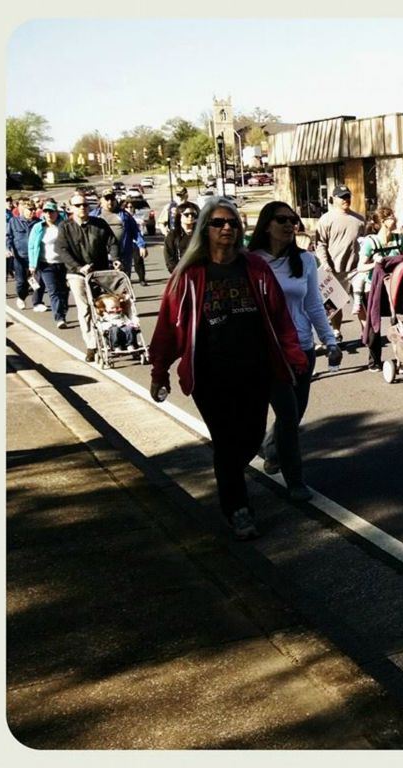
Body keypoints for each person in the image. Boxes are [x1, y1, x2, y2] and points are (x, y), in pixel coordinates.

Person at [149, 197, 309, 541]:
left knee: (250, 438)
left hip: (256, 370)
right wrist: (159, 370)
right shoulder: (189, 274)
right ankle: (238, 509)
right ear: (205, 229)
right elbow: (168, 327)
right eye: (219, 223)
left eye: (233, 223)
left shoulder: (255, 268)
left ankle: (228, 481)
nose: (227, 229)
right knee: (225, 441)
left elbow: (280, 319)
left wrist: (294, 357)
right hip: (210, 375)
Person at [247, 201, 342, 496]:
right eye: (281, 220)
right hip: (268, 351)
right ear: (266, 225)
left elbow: (314, 304)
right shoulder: (251, 261)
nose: (289, 225)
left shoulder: (306, 261)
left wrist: (330, 340)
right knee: (288, 415)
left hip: (302, 349)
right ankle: (295, 481)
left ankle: (272, 448)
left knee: (296, 413)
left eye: (293, 220)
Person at [55, 192, 120, 362]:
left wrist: (115, 258)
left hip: (100, 273)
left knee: (104, 307)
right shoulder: (65, 227)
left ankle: (110, 339)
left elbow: (112, 241)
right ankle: (91, 345)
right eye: (77, 205)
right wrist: (78, 267)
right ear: (71, 208)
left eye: (84, 205)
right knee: (85, 310)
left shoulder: (99, 223)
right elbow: (62, 250)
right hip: (77, 274)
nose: (82, 208)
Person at [357, 207, 403, 370]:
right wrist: (376, 263)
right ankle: (374, 361)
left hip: (394, 286)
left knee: (401, 321)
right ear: (384, 222)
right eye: (392, 217)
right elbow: (360, 267)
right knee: (373, 325)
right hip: (373, 287)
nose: (396, 219)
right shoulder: (370, 243)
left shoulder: (399, 240)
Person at [314, 184, 366, 344]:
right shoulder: (326, 220)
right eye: (342, 197)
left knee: (362, 302)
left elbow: (365, 243)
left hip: (357, 269)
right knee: (334, 304)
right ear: (334, 199)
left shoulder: (359, 220)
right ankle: (336, 331)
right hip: (335, 270)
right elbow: (320, 244)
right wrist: (325, 263)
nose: (346, 200)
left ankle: (367, 334)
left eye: (347, 196)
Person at [27, 201, 69, 328]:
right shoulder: (38, 227)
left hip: (63, 263)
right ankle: (59, 318)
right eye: (45, 211)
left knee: (64, 290)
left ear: (57, 212)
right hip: (46, 264)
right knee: (53, 290)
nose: (48, 214)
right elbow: (32, 246)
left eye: (51, 211)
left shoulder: (64, 225)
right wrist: (32, 264)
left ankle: (63, 310)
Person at [96, 188, 148, 283]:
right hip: (102, 255)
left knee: (123, 281)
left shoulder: (124, 215)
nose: (110, 201)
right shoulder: (95, 216)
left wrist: (142, 246)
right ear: (101, 201)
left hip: (123, 254)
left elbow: (135, 231)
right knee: (105, 283)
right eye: (107, 199)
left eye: (112, 199)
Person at [6, 196, 40, 311]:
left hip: (35, 257)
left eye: (34, 209)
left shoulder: (38, 223)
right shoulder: (14, 221)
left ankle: (37, 302)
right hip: (20, 257)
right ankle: (21, 297)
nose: (33, 212)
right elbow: (8, 236)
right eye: (30, 209)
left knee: (37, 281)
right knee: (21, 282)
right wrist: (8, 248)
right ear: (23, 210)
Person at [163, 201, 201, 273]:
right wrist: (176, 272)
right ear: (180, 216)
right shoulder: (173, 235)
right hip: (181, 274)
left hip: (200, 273)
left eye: (193, 214)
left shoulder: (200, 233)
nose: (190, 217)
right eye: (186, 214)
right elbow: (169, 258)